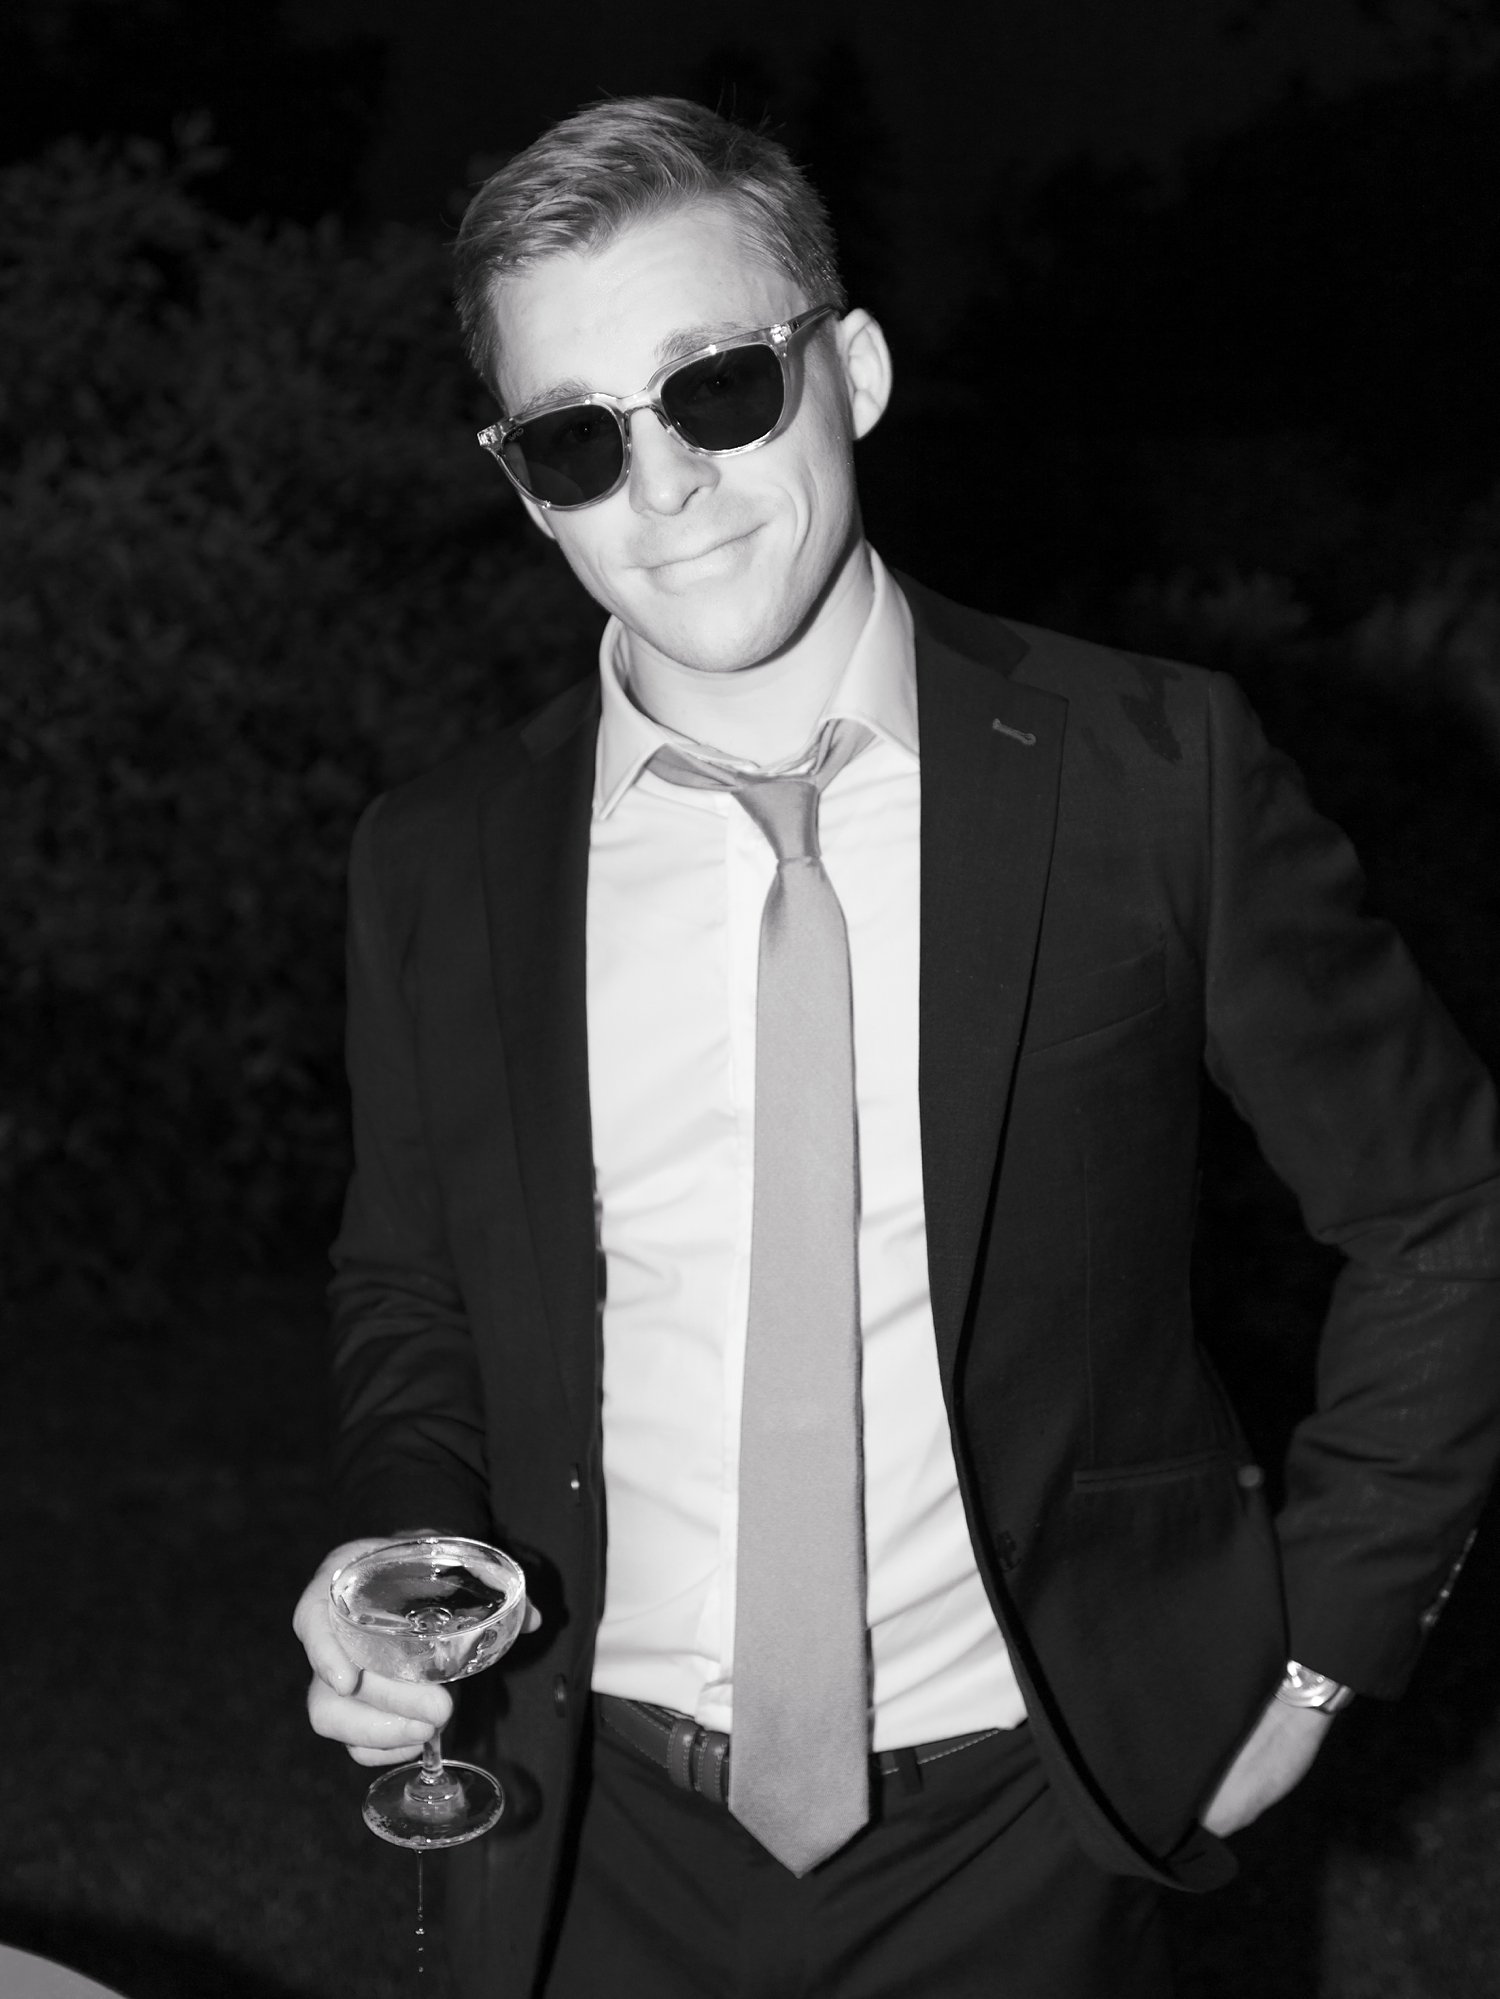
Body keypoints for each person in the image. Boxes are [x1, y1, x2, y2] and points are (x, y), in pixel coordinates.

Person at [292, 96, 1500, 1998]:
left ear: (843, 369)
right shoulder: (438, 858)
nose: (664, 488)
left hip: (1035, 1822)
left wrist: (1330, 1637)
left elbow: (1439, 1206)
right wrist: (408, 1568)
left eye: (712, 392)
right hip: (582, 1831)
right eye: (581, 438)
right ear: (526, 484)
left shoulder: (1148, 773)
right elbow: (412, 1289)